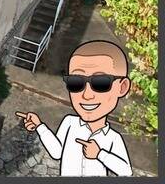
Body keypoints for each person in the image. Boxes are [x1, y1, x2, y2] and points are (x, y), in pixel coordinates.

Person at [15, 40, 133, 176]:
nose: (87, 95)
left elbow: (126, 171)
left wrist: (100, 154)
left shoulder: (113, 138)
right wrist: (39, 126)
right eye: (76, 82)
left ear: (122, 87)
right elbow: (57, 152)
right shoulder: (69, 122)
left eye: (101, 83)